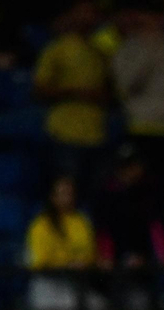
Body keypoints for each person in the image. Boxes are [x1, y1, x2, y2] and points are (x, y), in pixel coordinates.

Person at [110, 0, 164, 185]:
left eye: (157, 16)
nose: (153, 21)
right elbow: (123, 87)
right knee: (138, 184)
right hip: (141, 127)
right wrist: (146, 61)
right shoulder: (128, 49)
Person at [34, 1, 111, 192]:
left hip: (96, 134)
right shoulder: (57, 49)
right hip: (65, 134)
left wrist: (101, 95)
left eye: (92, 12)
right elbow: (39, 90)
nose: (88, 17)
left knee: (96, 194)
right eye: (83, 12)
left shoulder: (100, 51)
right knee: (66, 193)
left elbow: (111, 91)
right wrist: (75, 92)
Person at [25, 176, 99, 310]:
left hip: (75, 283)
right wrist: (67, 263)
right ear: (53, 197)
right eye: (63, 194)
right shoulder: (41, 225)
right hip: (47, 284)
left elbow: (89, 254)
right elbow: (40, 261)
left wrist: (81, 262)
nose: (67, 198)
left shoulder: (81, 221)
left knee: (99, 308)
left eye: (70, 194)